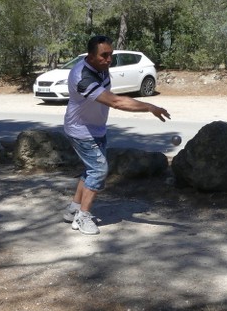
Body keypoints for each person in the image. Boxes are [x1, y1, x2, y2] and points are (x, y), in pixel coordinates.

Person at [63, 34, 171, 235]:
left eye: (110, 54)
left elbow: (115, 97)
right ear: (91, 56)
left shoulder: (102, 68)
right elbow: (115, 102)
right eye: (104, 55)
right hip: (80, 130)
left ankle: (73, 209)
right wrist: (149, 106)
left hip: (96, 128)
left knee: (91, 169)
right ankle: (83, 216)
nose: (109, 59)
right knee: (98, 170)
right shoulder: (82, 77)